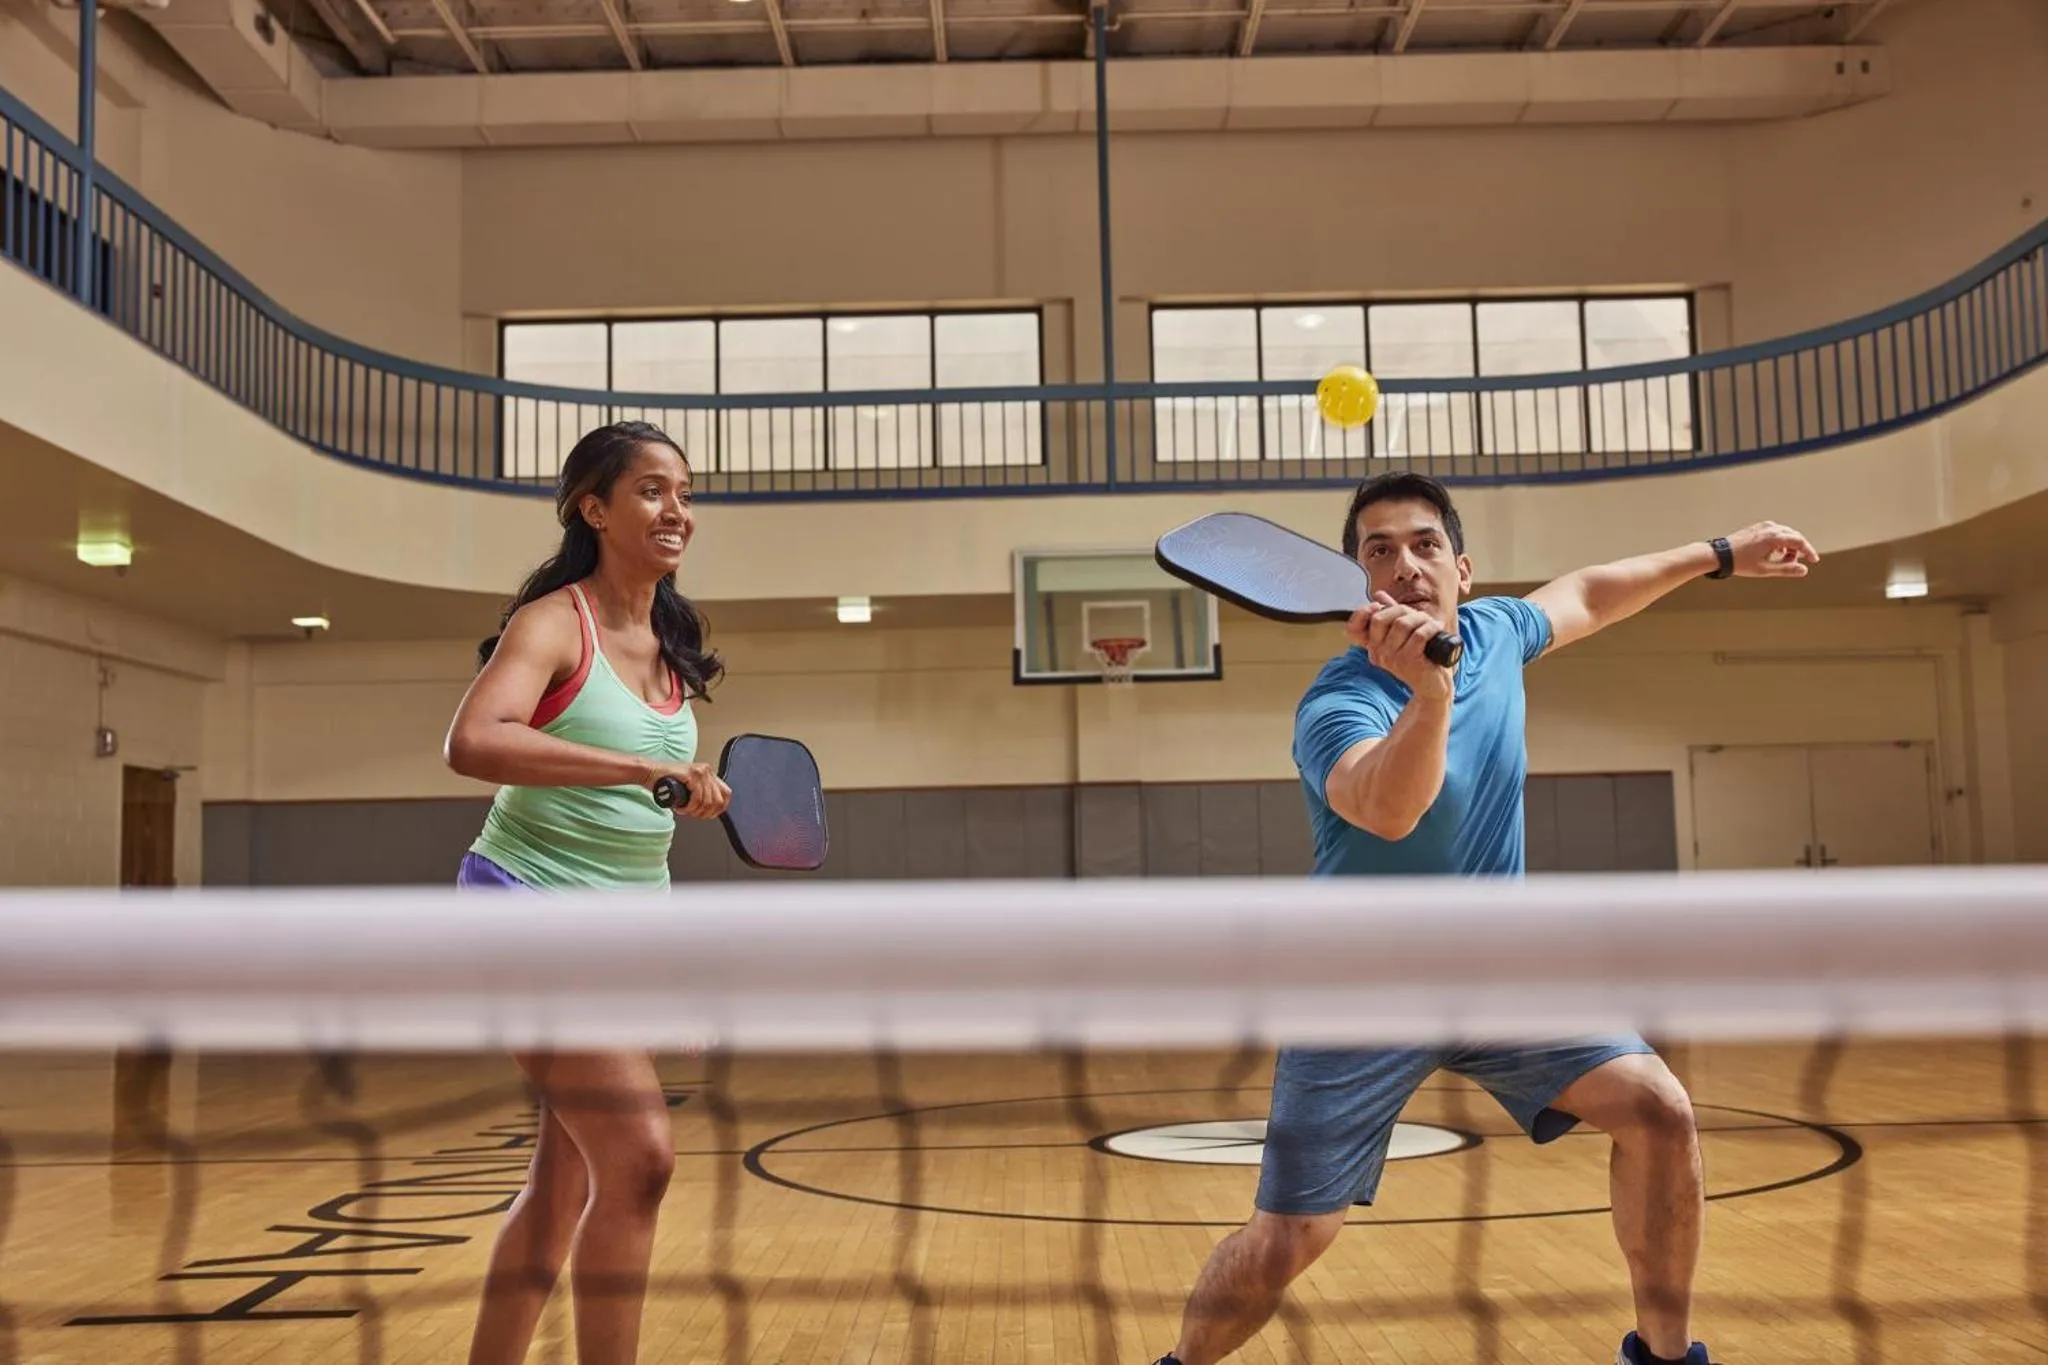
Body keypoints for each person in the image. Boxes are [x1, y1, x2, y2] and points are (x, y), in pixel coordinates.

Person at [1152, 472, 1819, 1365]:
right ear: (1360, 586)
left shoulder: (1500, 633)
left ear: (1462, 569)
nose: (1405, 564)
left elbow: (1588, 591)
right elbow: (1389, 808)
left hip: (1499, 970)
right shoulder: (1336, 703)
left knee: (1659, 1110)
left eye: (1425, 544)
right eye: (1378, 551)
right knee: (1287, 1241)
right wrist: (1427, 695)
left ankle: (1662, 1357)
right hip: (1357, 992)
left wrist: (1722, 554)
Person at [443, 419, 732, 1365]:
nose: (676, 508)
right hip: (523, 905)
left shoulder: (671, 638)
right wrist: (633, 768)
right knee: (641, 1160)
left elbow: (641, 842)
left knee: (564, 1188)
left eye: (684, 491)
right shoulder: (551, 622)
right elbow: (474, 740)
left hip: (619, 933)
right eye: (652, 489)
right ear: (593, 507)